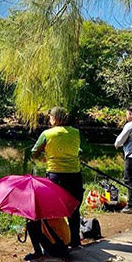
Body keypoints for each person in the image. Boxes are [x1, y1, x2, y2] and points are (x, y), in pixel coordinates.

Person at [31, 107, 84, 253]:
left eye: (50, 117)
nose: (49, 120)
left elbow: (34, 152)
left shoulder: (47, 134)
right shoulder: (76, 132)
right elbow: (82, 151)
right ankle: (74, 241)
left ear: (55, 118)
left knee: (53, 209)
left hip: (55, 175)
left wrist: (45, 153)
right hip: (74, 175)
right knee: (74, 208)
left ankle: (56, 239)